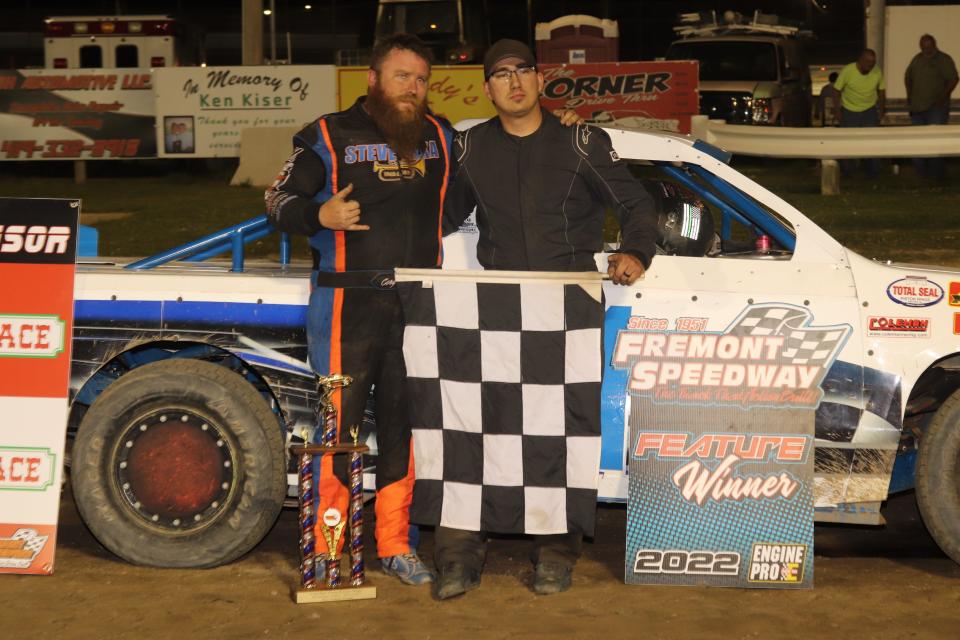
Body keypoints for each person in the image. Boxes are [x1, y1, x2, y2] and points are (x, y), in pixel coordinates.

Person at [434, 39, 658, 599]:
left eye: (523, 71)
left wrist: (636, 251)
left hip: (568, 311)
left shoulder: (582, 141)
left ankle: (556, 553)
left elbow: (637, 206)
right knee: (477, 429)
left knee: (562, 434)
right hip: (495, 310)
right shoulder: (469, 148)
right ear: (487, 88)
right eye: (501, 75)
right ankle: (461, 554)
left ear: (540, 80)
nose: (513, 82)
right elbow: (435, 215)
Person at [264, 33, 452, 586]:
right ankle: (328, 547)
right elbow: (275, 199)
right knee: (338, 426)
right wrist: (318, 216)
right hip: (347, 300)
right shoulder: (327, 133)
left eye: (420, 80)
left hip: (417, 301)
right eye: (402, 77)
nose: (412, 89)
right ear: (372, 79)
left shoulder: (439, 135)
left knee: (403, 427)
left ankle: (396, 544)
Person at [905, 34, 958, 179]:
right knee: (918, 142)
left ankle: (936, 175)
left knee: (936, 142)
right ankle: (922, 175)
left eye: (928, 46)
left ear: (934, 44)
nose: (925, 49)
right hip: (917, 109)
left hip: (936, 108)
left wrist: (943, 97)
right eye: (923, 46)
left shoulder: (943, 59)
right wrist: (909, 96)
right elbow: (907, 77)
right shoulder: (917, 58)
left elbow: (953, 78)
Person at [834, 49, 885, 178]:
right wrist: (837, 111)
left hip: (869, 110)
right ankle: (848, 172)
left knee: (871, 141)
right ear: (860, 60)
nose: (871, 65)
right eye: (868, 62)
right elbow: (836, 90)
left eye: (873, 62)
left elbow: (881, 91)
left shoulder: (877, 71)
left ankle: (873, 172)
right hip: (850, 110)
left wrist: (882, 109)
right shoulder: (848, 71)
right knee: (848, 142)